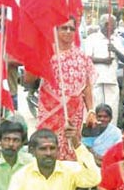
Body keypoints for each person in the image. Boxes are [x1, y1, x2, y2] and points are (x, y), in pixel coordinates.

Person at [27, 17, 96, 161]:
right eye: (64, 28)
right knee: (48, 146)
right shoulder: (46, 53)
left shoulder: (81, 56)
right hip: (50, 110)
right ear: (56, 30)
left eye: (71, 28)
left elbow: (87, 86)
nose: (68, 31)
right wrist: (34, 58)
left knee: (72, 146)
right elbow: (29, 80)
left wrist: (91, 110)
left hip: (74, 112)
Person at [83, 14, 124, 120]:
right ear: (105, 25)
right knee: (96, 111)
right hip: (96, 82)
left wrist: (115, 50)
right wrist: (103, 61)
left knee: (112, 112)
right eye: (112, 25)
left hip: (112, 82)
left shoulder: (116, 40)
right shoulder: (92, 38)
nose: (114, 28)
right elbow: (86, 58)